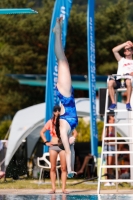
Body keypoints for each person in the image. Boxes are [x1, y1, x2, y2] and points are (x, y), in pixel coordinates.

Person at [53, 17, 78, 178]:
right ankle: (57, 31)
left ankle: (57, 32)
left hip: (65, 95)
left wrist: (69, 171)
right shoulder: (70, 131)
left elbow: (68, 152)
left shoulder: (63, 131)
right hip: (67, 95)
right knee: (62, 60)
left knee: (62, 60)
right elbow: (72, 150)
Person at [40, 105, 68, 194]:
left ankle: (63, 188)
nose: (57, 112)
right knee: (53, 167)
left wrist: (71, 140)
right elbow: (42, 132)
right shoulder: (50, 122)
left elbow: (74, 132)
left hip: (62, 146)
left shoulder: (64, 122)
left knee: (63, 168)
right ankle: (53, 188)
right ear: (53, 112)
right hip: (53, 145)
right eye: (56, 110)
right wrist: (46, 142)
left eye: (59, 110)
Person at [108, 41, 133, 111]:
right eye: (125, 50)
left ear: (132, 52)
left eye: (129, 49)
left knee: (128, 81)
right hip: (119, 80)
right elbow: (114, 50)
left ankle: (128, 103)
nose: (127, 51)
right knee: (110, 83)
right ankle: (113, 103)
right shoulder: (121, 60)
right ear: (124, 52)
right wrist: (125, 44)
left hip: (129, 81)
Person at [103, 115, 115, 186]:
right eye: (112, 120)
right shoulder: (106, 128)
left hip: (113, 147)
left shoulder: (114, 128)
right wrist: (111, 140)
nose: (113, 121)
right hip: (108, 148)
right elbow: (103, 138)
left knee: (111, 165)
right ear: (109, 121)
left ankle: (110, 180)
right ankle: (106, 180)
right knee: (108, 164)